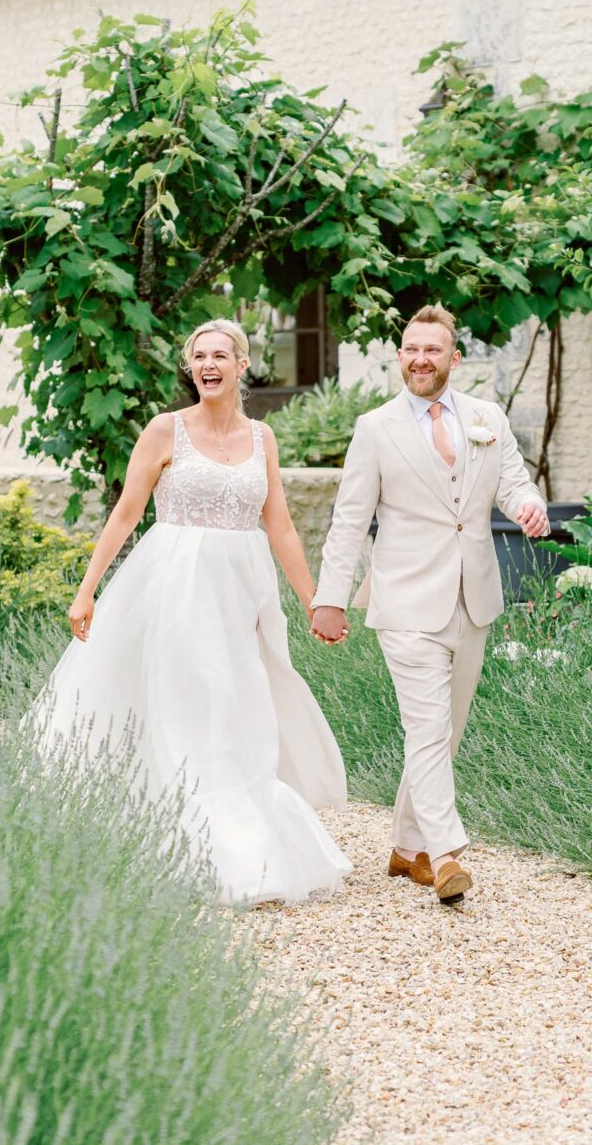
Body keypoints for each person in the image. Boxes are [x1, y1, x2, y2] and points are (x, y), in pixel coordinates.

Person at [33, 318, 351, 906]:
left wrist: (316, 601)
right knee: (194, 699)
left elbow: (280, 525)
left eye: (219, 356)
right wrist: (86, 590)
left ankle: (248, 837)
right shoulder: (166, 430)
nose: (207, 365)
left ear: (241, 365)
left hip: (243, 594)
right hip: (176, 587)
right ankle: (189, 840)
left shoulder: (263, 438)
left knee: (242, 704)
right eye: (199, 357)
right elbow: (127, 512)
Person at [310, 305, 549, 905]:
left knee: (447, 732)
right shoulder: (375, 428)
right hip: (406, 600)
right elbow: (349, 520)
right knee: (427, 726)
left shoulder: (488, 418)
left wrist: (530, 505)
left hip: (473, 598)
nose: (420, 359)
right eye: (411, 349)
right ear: (400, 356)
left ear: (453, 358)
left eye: (432, 350)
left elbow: (513, 482)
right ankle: (445, 857)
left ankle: (406, 845)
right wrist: (330, 598)